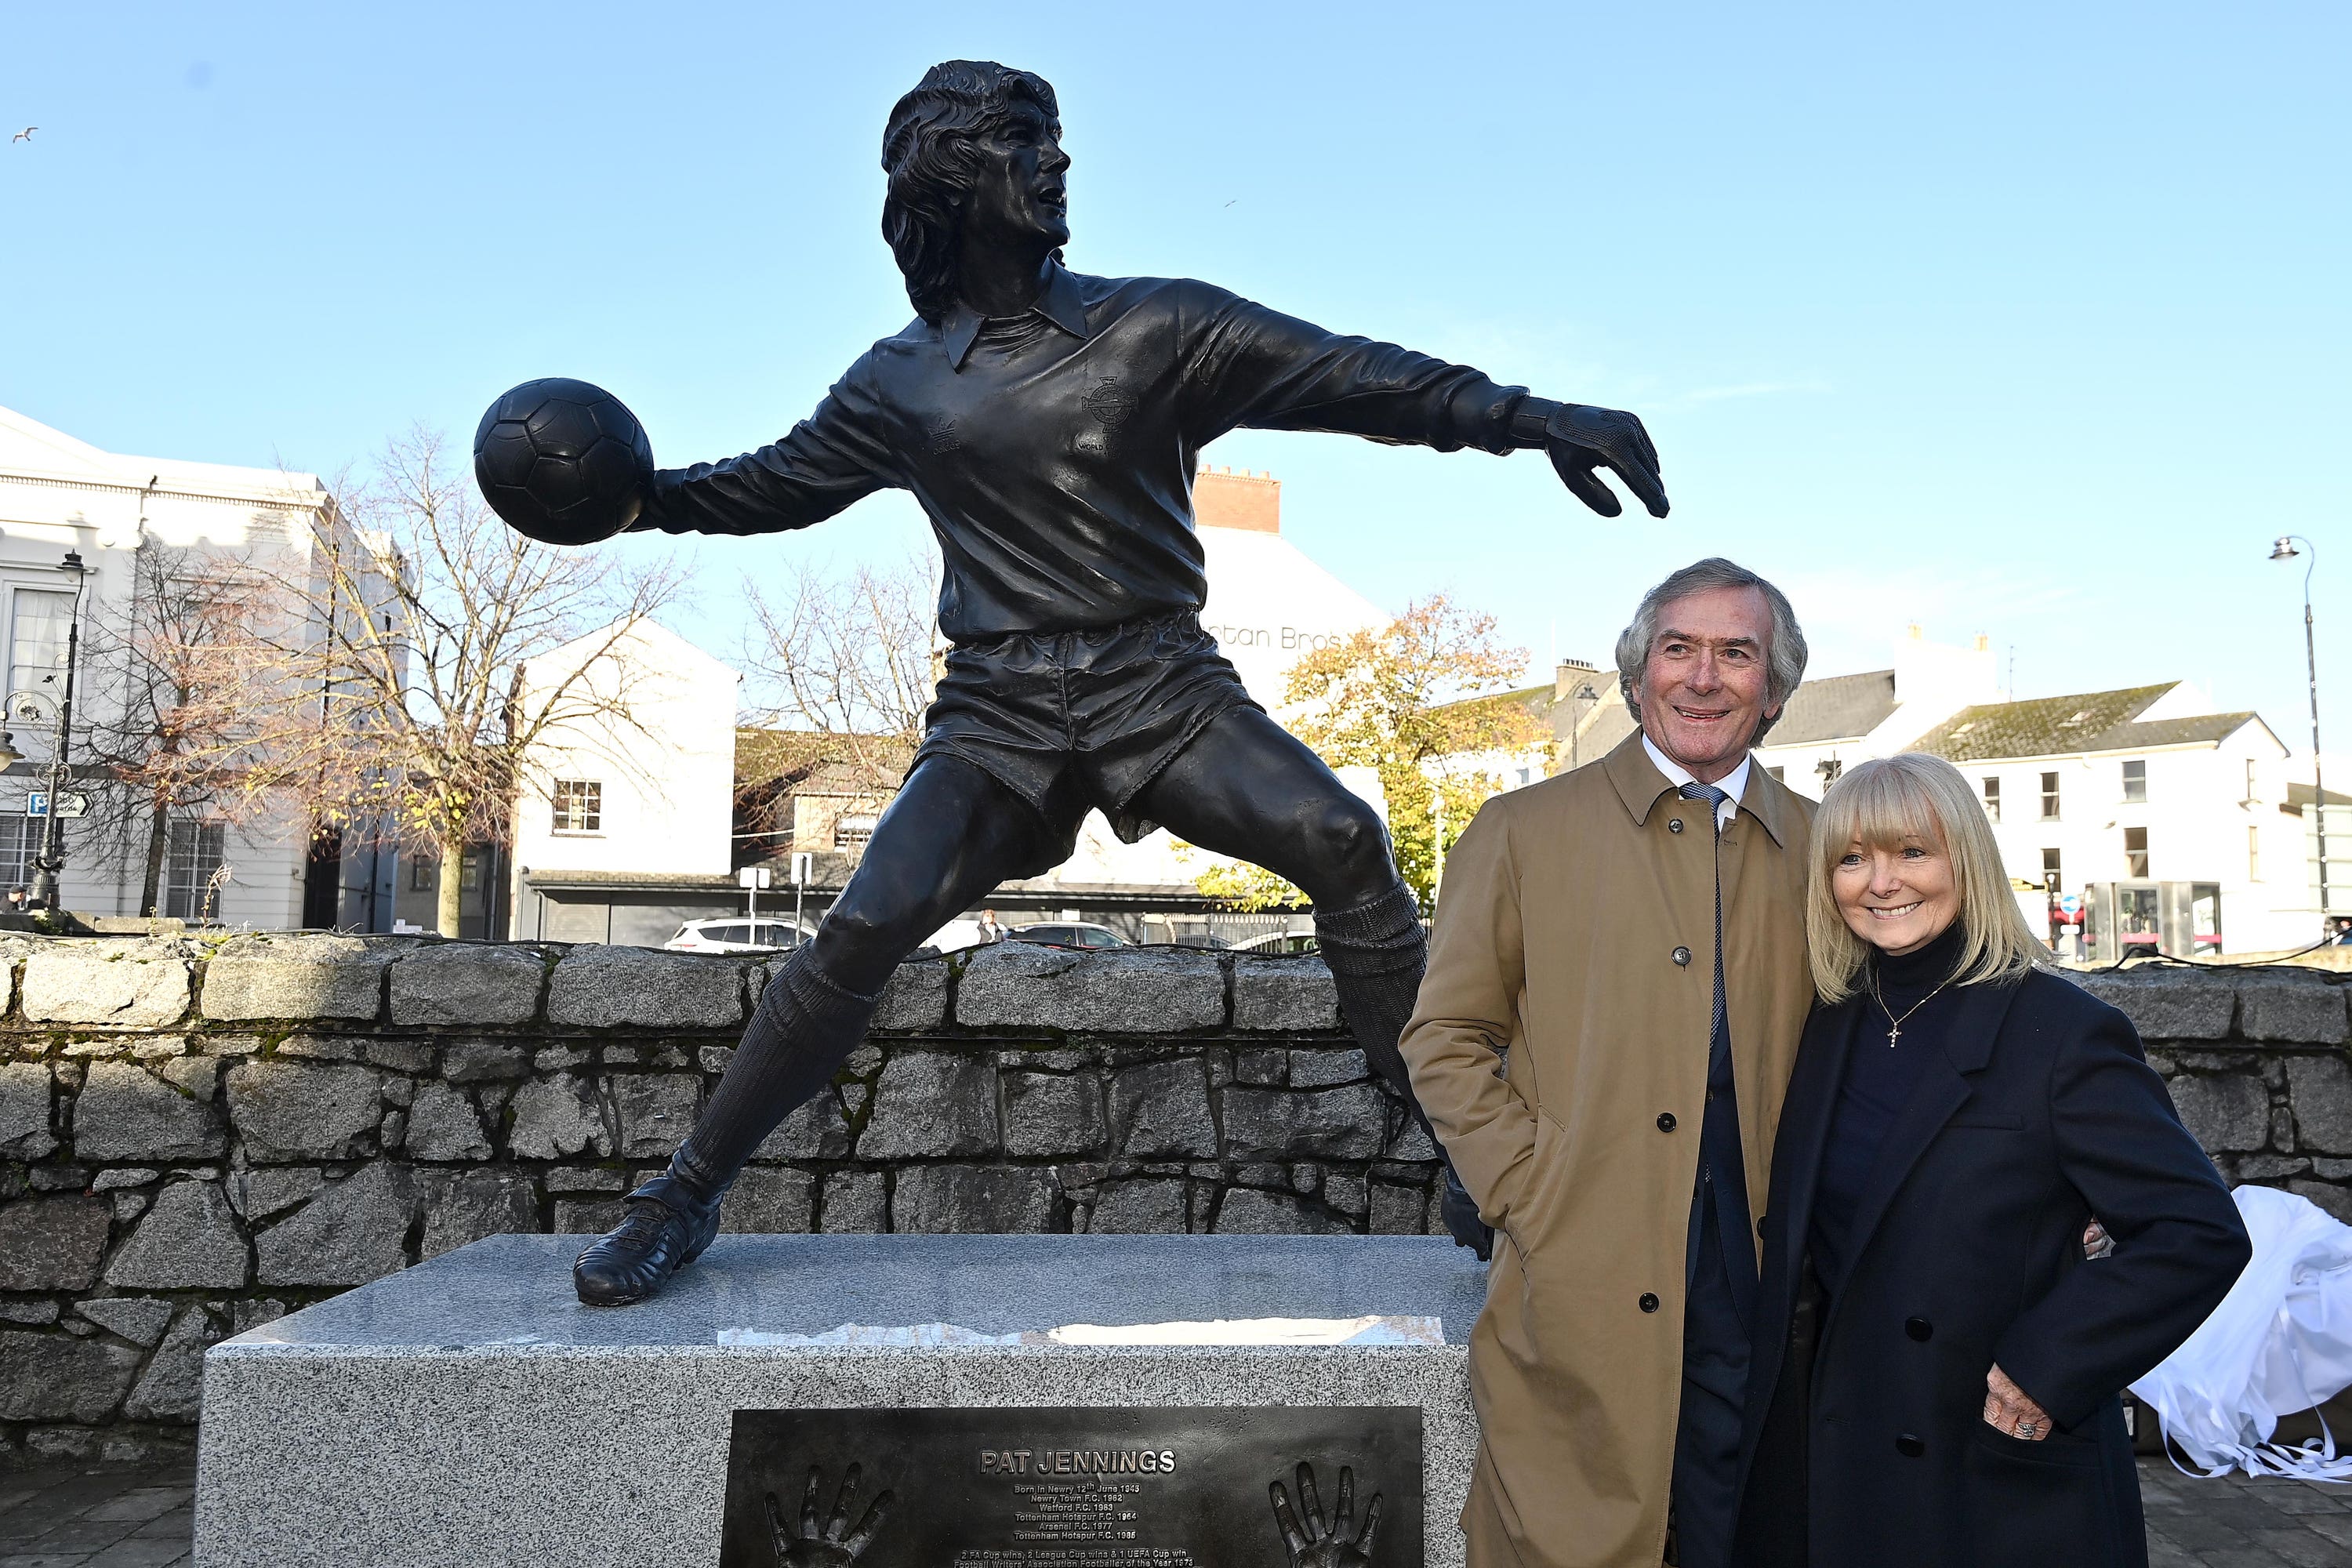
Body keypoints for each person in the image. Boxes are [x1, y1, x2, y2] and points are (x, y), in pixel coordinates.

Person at [572, 59, 1673, 1306]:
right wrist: (638, 500)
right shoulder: (897, 381)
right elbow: (774, 483)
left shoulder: (1159, 326)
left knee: (1341, 837)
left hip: (1160, 684)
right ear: (947, 173)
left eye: (1053, 138)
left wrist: (1527, 416)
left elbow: (1354, 376)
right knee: (868, 920)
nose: (1056, 163)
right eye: (1019, 141)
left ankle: (1474, 1155)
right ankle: (682, 1193)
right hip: (998, 712)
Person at [1735, 753, 2251, 1566]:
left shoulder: (2060, 1028)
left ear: (1964, 860)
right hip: (1839, 1449)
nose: (1881, 881)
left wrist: (2051, 1364)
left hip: (1986, 1461)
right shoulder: (1828, 1019)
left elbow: (2196, 1230)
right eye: (1852, 856)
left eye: (1913, 851)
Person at [1402, 559, 1817, 1568]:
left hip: (1764, 1278)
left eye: (1736, 652)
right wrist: (1528, 1188)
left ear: (1774, 689)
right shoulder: (1520, 830)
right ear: (1636, 677)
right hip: (1577, 1260)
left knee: (1740, 1529)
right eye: (1679, 648)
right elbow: (1445, 1034)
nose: (1704, 676)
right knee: (1567, 1528)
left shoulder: (1825, 842)